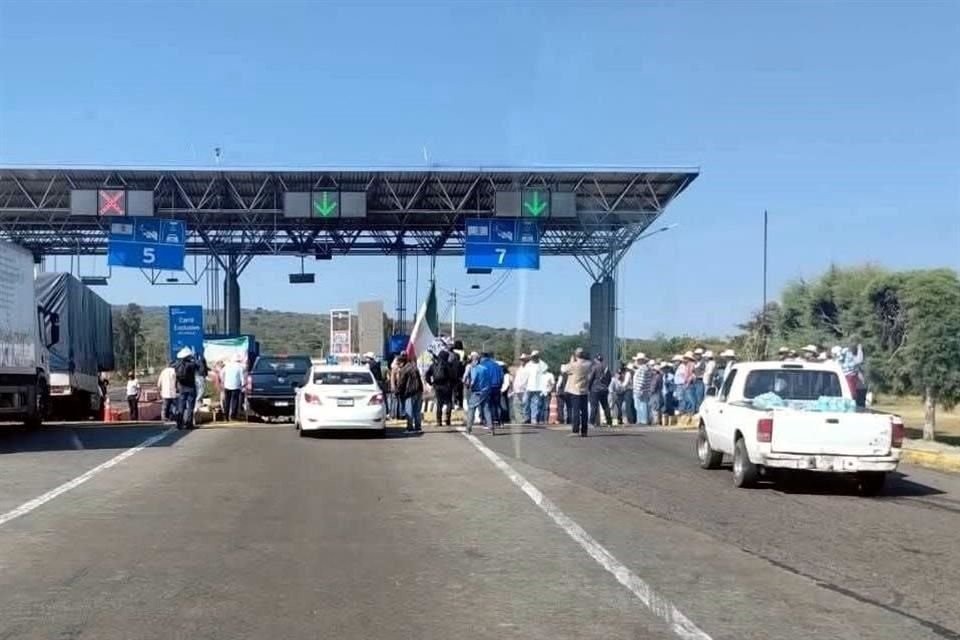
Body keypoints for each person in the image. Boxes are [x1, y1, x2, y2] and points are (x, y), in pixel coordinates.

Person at [464, 352, 494, 434]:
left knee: (471, 409)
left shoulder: (475, 369)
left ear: (474, 360)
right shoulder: (484, 369)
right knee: (486, 409)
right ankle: (491, 427)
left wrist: (467, 384)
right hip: (486, 391)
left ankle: (468, 428)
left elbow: (473, 380)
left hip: (477, 392)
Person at [425, 349, 455, 427]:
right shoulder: (448, 365)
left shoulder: (434, 365)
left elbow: (427, 375)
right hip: (447, 387)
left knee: (439, 403)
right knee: (448, 403)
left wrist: (430, 383)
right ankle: (447, 419)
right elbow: (452, 376)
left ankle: (439, 421)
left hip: (437, 387)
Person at [395, 353, 424, 432]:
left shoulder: (404, 370)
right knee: (417, 411)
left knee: (409, 411)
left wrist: (397, 392)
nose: (397, 366)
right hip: (419, 391)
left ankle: (410, 427)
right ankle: (418, 427)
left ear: (401, 363)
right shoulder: (414, 367)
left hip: (410, 392)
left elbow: (401, 383)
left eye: (398, 364)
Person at [174, 347, 201, 430]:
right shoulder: (191, 364)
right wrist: (194, 358)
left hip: (182, 387)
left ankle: (179, 423)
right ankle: (189, 423)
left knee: (181, 406)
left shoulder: (177, 365)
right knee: (190, 406)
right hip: (191, 388)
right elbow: (199, 367)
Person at [566, 348, 591, 436]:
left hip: (575, 390)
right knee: (584, 411)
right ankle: (584, 431)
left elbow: (564, 369)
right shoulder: (588, 364)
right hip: (584, 389)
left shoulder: (574, 365)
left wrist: (571, 361)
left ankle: (575, 430)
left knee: (576, 411)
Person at [523, 351, 549, 425]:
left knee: (536, 403)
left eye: (535, 356)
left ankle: (534, 418)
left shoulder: (542, 364)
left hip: (538, 387)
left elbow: (545, 375)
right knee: (525, 402)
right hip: (528, 386)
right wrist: (523, 384)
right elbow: (525, 376)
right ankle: (526, 417)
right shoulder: (528, 365)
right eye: (533, 356)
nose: (534, 358)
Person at [587, 355, 613, 428]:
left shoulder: (594, 367)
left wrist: (589, 388)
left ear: (595, 360)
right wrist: (606, 385)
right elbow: (610, 378)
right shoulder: (606, 368)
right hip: (604, 389)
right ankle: (609, 422)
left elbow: (590, 378)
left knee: (594, 406)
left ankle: (592, 422)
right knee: (606, 406)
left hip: (595, 389)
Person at [221, 354, 245, 421]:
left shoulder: (227, 366)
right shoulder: (240, 367)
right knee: (234, 401)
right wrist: (243, 385)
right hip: (236, 386)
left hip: (227, 386)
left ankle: (226, 416)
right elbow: (242, 377)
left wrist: (223, 380)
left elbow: (222, 373)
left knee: (227, 401)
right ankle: (233, 416)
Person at [632, 353, 653, 425]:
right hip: (645, 389)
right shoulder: (647, 368)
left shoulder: (642, 369)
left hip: (640, 390)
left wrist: (639, 389)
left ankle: (643, 420)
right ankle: (642, 419)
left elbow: (642, 380)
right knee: (642, 405)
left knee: (641, 405)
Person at [512, 353, 530, 423]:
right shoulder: (520, 368)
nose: (522, 361)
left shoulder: (528, 368)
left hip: (524, 389)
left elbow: (526, 379)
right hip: (517, 389)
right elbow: (517, 379)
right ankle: (520, 419)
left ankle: (525, 418)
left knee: (524, 404)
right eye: (521, 360)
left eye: (523, 360)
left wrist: (522, 386)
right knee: (516, 404)